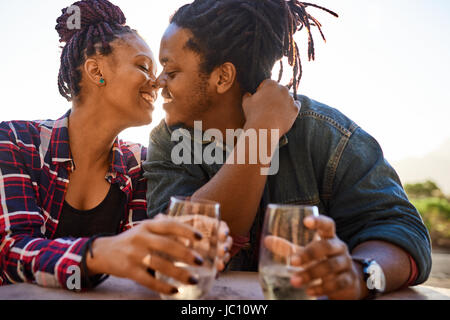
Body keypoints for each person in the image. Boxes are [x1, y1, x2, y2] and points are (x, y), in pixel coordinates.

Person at [143, 0, 432, 300]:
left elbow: (403, 230)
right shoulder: (169, 141)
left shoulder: (324, 133)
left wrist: (359, 274)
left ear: (222, 77)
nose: (157, 81)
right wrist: (261, 134)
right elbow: (174, 246)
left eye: (171, 70)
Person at [0, 0, 232, 294]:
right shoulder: (15, 141)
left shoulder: (137, 164)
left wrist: (186, 243)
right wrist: (100, 254)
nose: (157, 82)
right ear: (96, 70)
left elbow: (138, 260)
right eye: (143, 66)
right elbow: (10, 252)